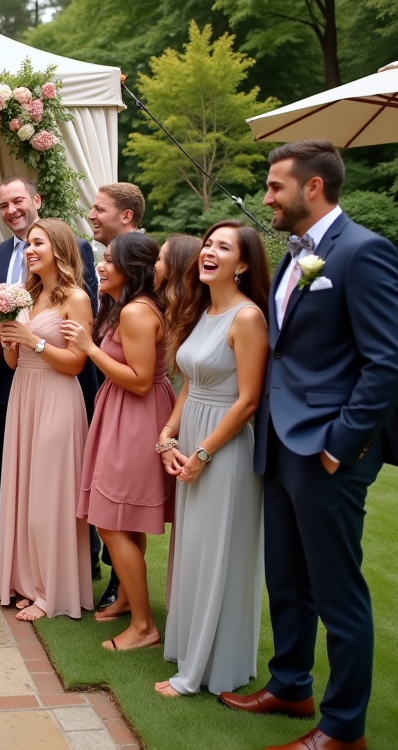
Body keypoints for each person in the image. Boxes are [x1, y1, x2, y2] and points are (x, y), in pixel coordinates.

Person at [219, 140, 398, 750]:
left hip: (328, 452)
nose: (266, 198)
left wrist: (339, 443)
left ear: (313, 187)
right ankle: (290, 685)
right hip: (280, 446)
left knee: (338, 592)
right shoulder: (294, 255)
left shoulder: (363, 251)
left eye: (275, 186)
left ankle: (342, 729)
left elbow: (391, 364)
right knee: (286, 578)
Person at [154, 220, 270, 697]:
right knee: (195, 552)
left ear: (242, 264)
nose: (209, 251)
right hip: (192, 439)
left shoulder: (247, 318)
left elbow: (248, 400)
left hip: (225, 449)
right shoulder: (204, 311)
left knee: (219, 553)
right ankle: (191, 649)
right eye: (207, 243)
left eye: (223, 247)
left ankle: (204, 671)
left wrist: (202, 452)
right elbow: (191, 383)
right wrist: (167, 435)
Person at [0, 176, 102, 576]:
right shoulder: (25, 294)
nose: (29, 250)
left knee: (51, 496)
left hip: (57, 398)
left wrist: (31, 340)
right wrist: (7, 340)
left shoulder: (77, 297)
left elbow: (76, 363)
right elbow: (14, 362)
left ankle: (54, 586)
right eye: (29, 244)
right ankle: (25, 576)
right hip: (23, 395)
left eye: (38, 244)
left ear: (60, 249)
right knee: (24, 492)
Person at [67, 231, 176, 650]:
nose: (101, 265)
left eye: (110, 260)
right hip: (125, 414)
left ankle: (145, 628)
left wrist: (89, 349)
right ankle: (130, 599)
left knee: (110, 522)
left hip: (135, 418)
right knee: (125, 519)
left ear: (132, 268)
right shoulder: (125, 308)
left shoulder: (135, 313)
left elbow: (141, 381)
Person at [85, 180, 145, 604]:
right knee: (117, 507)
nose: (91, 215)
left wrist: (88, 347)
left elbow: (142, 371)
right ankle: (122, 588)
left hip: (134, 403)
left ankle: (125, 592)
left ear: (126, 217)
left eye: (99, 209)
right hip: (111, 396)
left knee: (122, 507)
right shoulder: (114, 284)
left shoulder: (141, 289)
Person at [154, 234, 205, 376]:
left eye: (159, 259)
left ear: (174, 268)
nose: (154, 265)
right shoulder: (171, 309)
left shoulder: (197, 316)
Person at [87, 182, 146, 247]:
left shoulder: (139, 256)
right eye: (92, 209)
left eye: (99, 209)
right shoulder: (128, 254)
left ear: (126, 216)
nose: (90, 216)